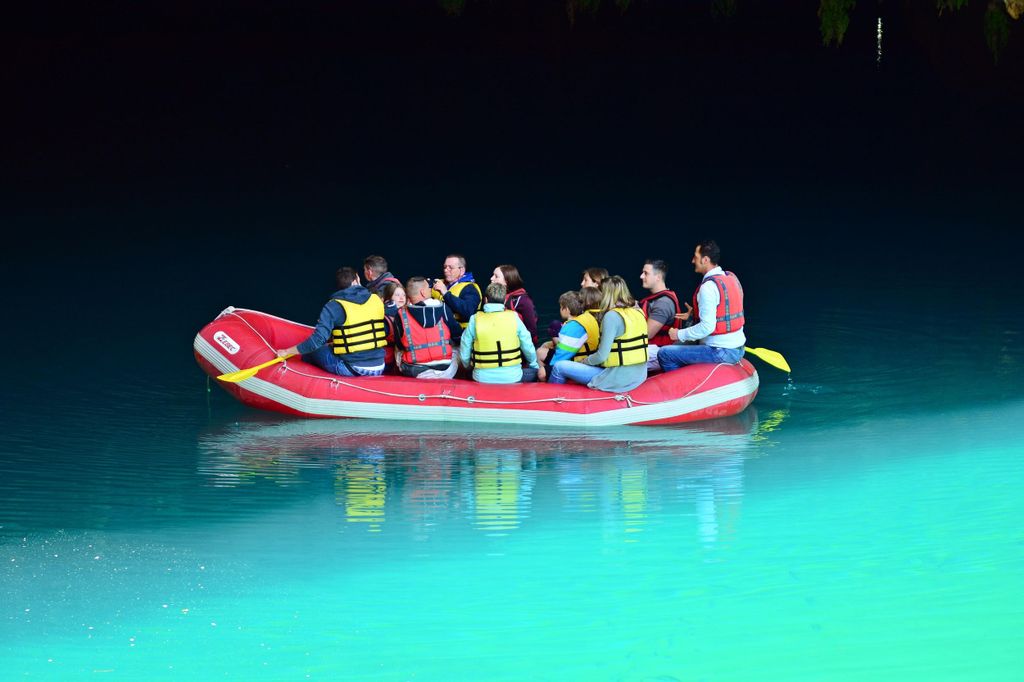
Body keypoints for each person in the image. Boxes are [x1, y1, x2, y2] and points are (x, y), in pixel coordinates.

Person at [275, 267, 386, 377]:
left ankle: (298, 377)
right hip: (379, 366)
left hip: (353, 368)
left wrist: (287, 352)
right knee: (328, 347)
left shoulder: (333, 306)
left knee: (311, 351)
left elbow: (316, 341)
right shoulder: (376, 299)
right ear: (356, 279)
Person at [548, 276, 648, 392]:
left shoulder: (612, 316)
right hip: (639, 375)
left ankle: (551, 397)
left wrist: (584, 361)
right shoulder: (638, 311)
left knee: (559, 366)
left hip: (617, 378)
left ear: (606, 294)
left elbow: (601, 356)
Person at [658, 240, 746, 371]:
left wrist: (678, 334)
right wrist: (695, 314)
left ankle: (685, 383)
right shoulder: (731, 277)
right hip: (738, 348)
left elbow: (707, 327)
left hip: (721, 351)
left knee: (665, 354)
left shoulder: (708, 287)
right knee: (678, 344)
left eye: (695, 257)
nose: (692, 261)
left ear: (705, 260)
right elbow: (725, 308)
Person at [460, 283, 539, 384]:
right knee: (535, 372)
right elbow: (527, 345)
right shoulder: (514, 317)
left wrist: (467, 366)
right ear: (505, 300)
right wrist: (533, 365)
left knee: (467, 373)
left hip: (482, 378)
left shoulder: (474, 319)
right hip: (513, 377)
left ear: (485, 300)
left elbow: (465, 346)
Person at [393, 277, 461, 378]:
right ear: (423, 292)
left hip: (414, 370)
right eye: (429, 287)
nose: (431, 289)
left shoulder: (400, 315)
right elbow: (457, 335)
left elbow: (399, 344)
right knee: (460, 345)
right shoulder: (443, 308)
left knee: (397, 348)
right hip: (445, 369)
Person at [536, 291, 589, 373]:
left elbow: (562, 354)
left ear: (566, 309)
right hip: (580, 355)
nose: (560, 309)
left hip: (572, 361)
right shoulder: (582, 320)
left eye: (561, 307)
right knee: (543, 347)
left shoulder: (570, 327)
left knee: (540, 365)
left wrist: (549, 368)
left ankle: (547, 376)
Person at [638, 258, 683, 347]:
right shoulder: (657, 299)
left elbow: (647, 334)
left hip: (657, 351)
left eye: (646, 273)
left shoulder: (663, 303)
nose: (641, 276)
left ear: (658, 277)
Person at [491, 264, 538, 342]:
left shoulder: (523, 300)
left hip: (517, 346)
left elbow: (532, 330)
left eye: (496, 276)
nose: (491, 278)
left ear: (506, 281)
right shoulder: (492, 298)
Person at [432, 253, 482, 328]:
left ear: (461, 270)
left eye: (450, 267)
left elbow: (469, 311)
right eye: (445, 267)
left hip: (461, 332)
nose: (446, 270)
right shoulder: (439, 283)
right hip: (441, 329)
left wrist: (445, 293)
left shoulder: (470, 288)